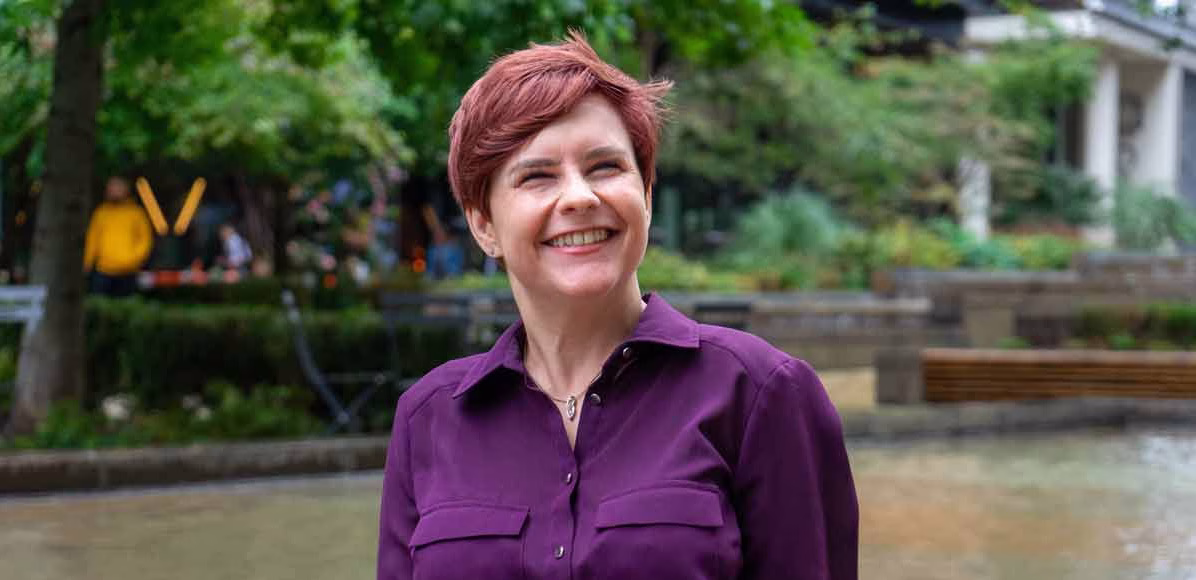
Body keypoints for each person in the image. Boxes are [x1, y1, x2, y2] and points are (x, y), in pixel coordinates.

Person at [377, 32, 858, 580]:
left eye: (605, 167)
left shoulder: (762, 395)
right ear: (483, 223)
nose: (580, 197)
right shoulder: (428, 419)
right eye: (537, 176)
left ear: (647, 195)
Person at [83, 176, 154, 297]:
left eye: (117, 187)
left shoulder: (136, 213)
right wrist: (87, 263)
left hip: (129, 271)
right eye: (111, 187)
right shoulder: (101, 213)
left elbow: (145, 240)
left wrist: (134, 259)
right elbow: (92, 240)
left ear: (126, 189)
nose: (114, 190)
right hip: (103, 270)